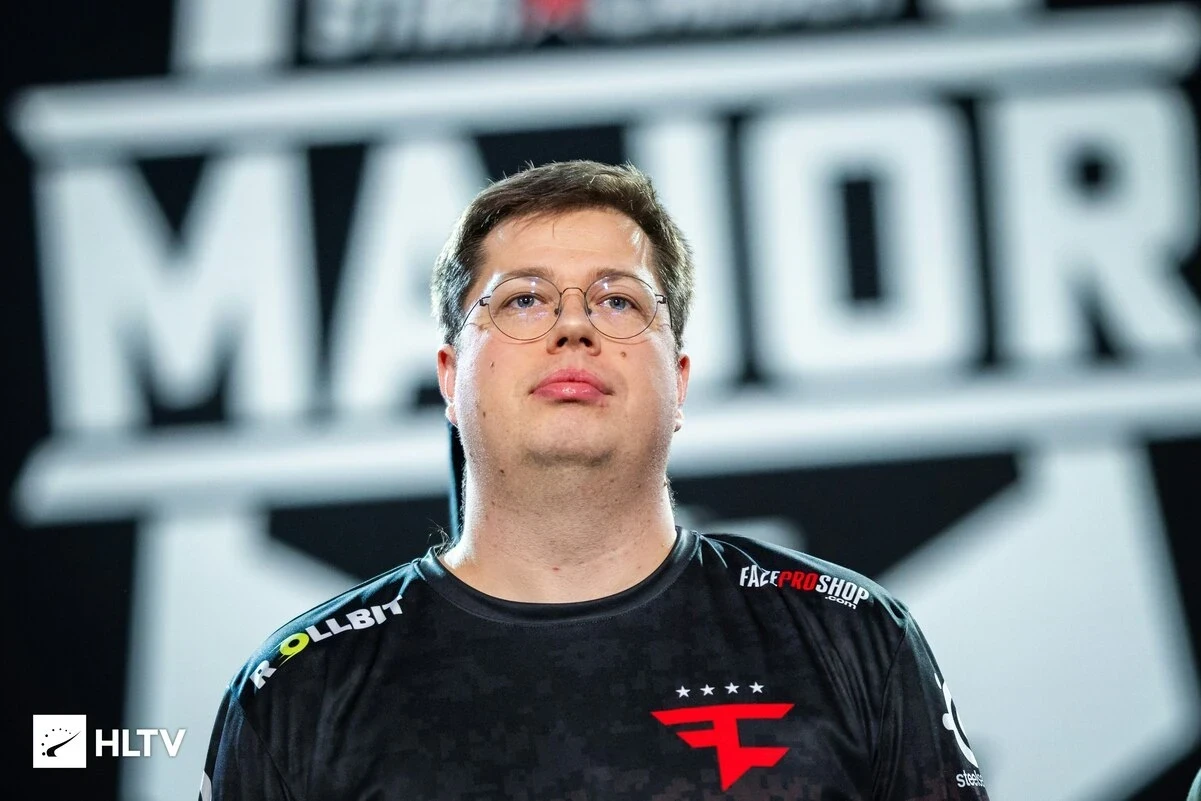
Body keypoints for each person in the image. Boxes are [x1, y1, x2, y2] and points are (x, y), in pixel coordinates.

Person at [199, 160, 991, 799]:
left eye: (618, 300)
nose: (572, 325)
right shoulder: (303, 685)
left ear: (679, 379)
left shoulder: (851, 637)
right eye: (523, 299)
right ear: (448, 375)